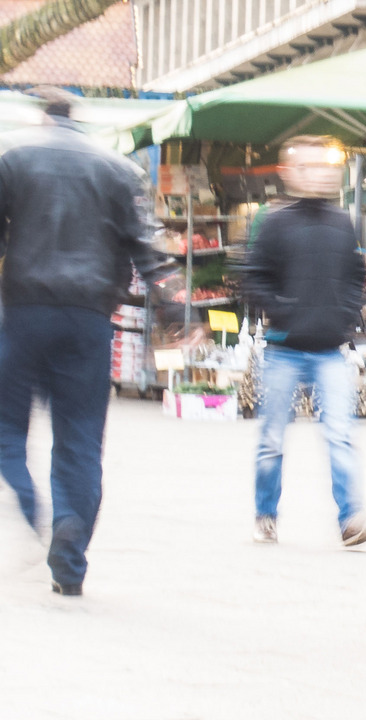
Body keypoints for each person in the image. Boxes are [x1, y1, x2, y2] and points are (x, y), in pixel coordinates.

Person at [0, 87, 179, 596]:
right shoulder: (118, 169)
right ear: (77, 119)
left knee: (7, 429)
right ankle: (71, 545)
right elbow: (148, 248)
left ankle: (32, 507)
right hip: (89, 320)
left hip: (24, 313)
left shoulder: (12, 158)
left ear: (41, 118)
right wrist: (173, 310)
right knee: (80, 439)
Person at [241, 135, 366, 546]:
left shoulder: (341, 221)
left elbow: (356, 275)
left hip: (329, 350)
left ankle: (351, 519)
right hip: (284, 349)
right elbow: (252, 275)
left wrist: (347, 313)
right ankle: (265, 515)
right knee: (271, 439)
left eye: (326, 166)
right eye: (311, 167)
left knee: (340, 433)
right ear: (291, 172)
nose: (322, 174)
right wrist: (282, 307)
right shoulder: (273, 221)